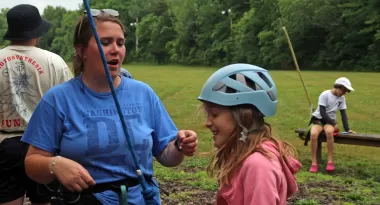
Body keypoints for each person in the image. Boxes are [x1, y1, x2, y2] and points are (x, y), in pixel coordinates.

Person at [21, 9, 198, 205]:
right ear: (81, 51)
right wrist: (55, 164)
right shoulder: (58, 99)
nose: (115, 49)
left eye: (120, 43)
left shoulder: (143, 93)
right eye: (104, 43)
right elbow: (32, 164)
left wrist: (180, 146)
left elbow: (167, 156)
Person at [197, 63, 302, 205]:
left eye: (214, 114)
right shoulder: (245, 156)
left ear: (244, 117)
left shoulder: (258, 165)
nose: (208, 123)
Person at [0, 4, 73, 205]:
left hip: (6, 144)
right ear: (37, 32)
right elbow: (68, 105)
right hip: (43, 146)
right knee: (45, 202)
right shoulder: (54, 61)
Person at [308, 77, 355, 173]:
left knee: (329, 132)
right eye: (344, 90)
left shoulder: (342, 98)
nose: (345, 93)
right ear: (338, 87)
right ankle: (314, 162)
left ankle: (330, 161)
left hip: (329, 121)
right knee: (313, 134)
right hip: (319, 119)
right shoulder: (325, 94)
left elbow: (343, 113)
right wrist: (334, 124)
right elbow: (322, 112)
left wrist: (347, 128)